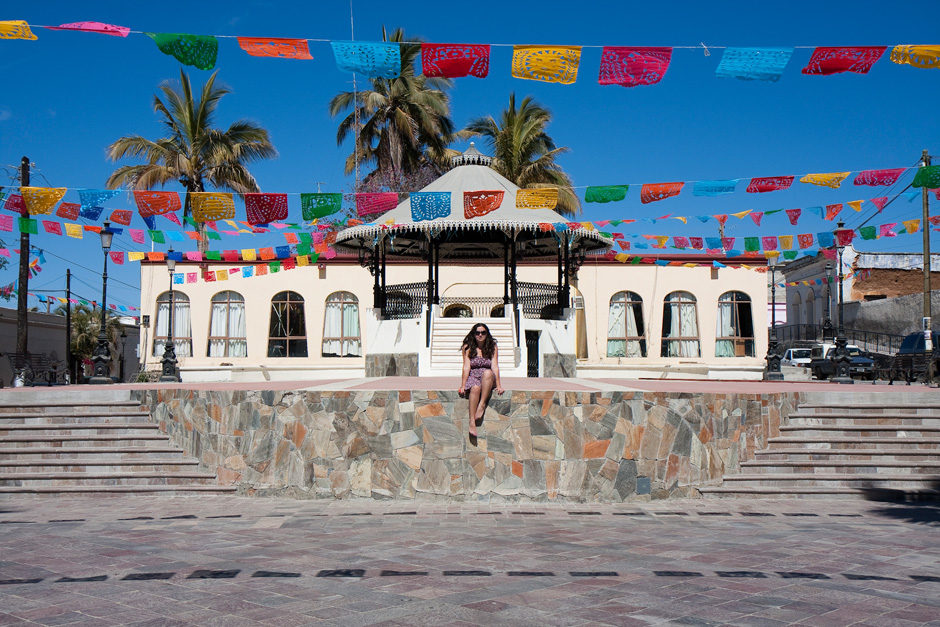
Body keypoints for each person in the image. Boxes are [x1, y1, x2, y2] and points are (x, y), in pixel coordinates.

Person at [458, 323, 503, 437]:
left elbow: (495, 366)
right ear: (474, 334)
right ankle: (472, 422)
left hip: (487, 377)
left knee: (488, 372)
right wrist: (463, 385)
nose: (480, 335)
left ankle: (481, 404)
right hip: (473, 375)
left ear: (487, 334)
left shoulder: (492, 346)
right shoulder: (467, 347)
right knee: (475, 388)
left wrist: (499, 384)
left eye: (483, 332)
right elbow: (466, 367)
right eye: (477, 333)